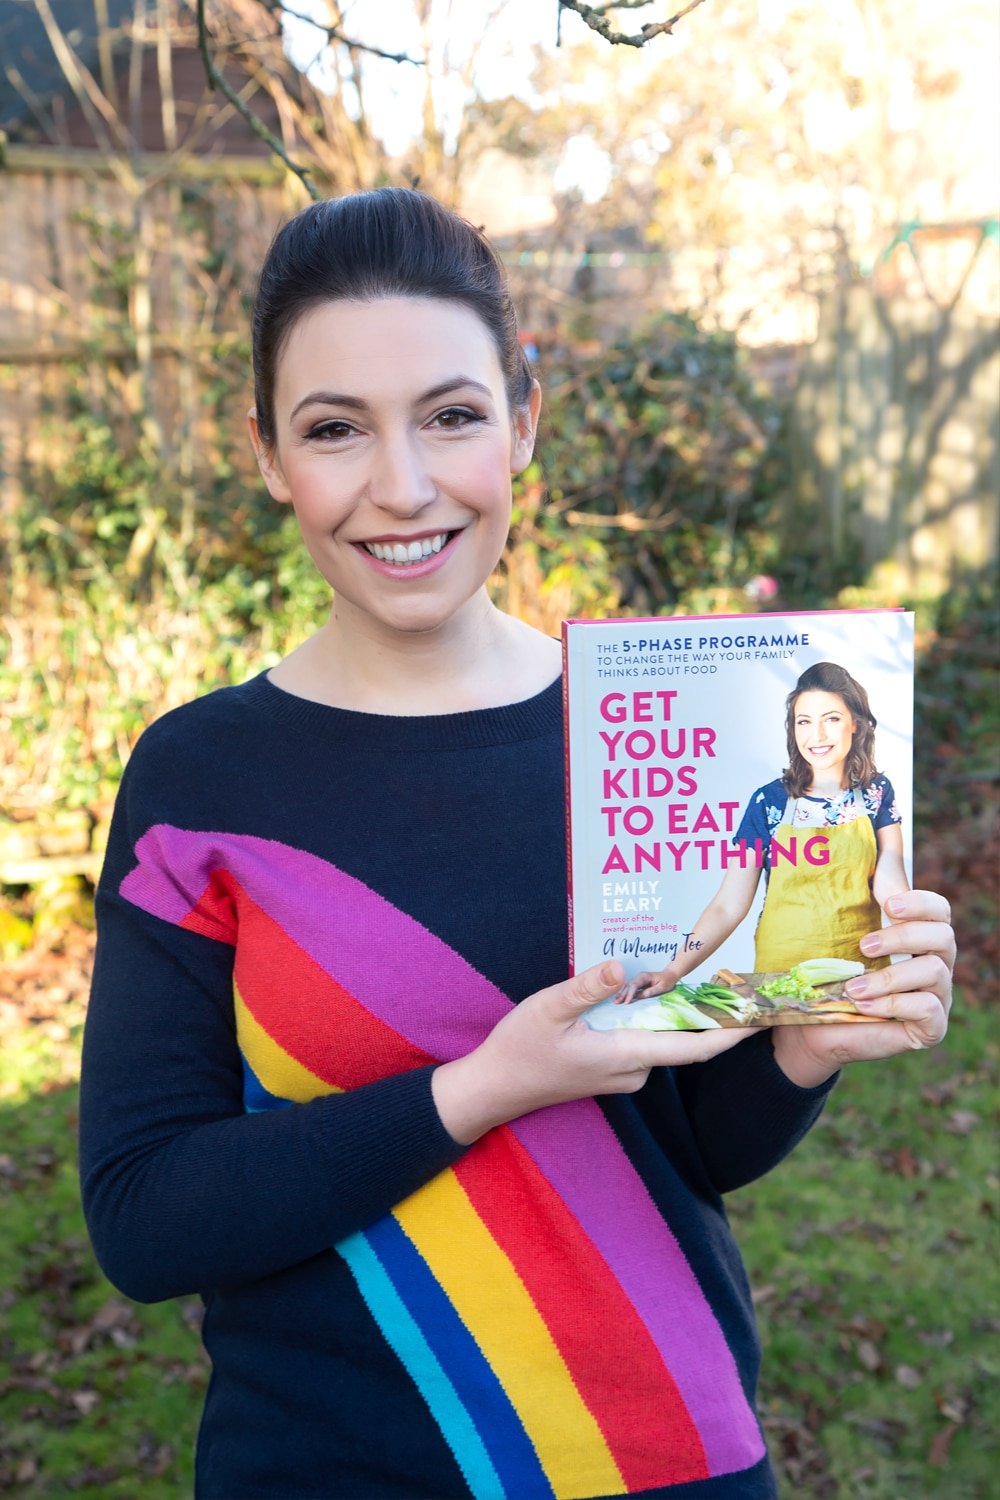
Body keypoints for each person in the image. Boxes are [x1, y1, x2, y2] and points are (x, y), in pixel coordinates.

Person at [79, 188, 955, 1500]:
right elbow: (147, 1219)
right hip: (324, 1467)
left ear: (522, 426)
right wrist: (479, 1087)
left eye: (451, 415)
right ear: (268, 454)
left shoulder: (665, 731)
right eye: (336, 430)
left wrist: (806, 1046)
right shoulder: (203, 778)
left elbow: (685, 1150)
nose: (404, 486)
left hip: (665, 1455)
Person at [626, 660, 910, 1002]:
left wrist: (910, 934)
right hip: (778, 979)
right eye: (804, 722)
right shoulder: (768, 802)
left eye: (831, 719)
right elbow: (728, 905)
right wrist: (673, 970)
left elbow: (891, 875)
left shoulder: (877, 792)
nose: (816, 736)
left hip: (858, 973)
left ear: (856, 723)